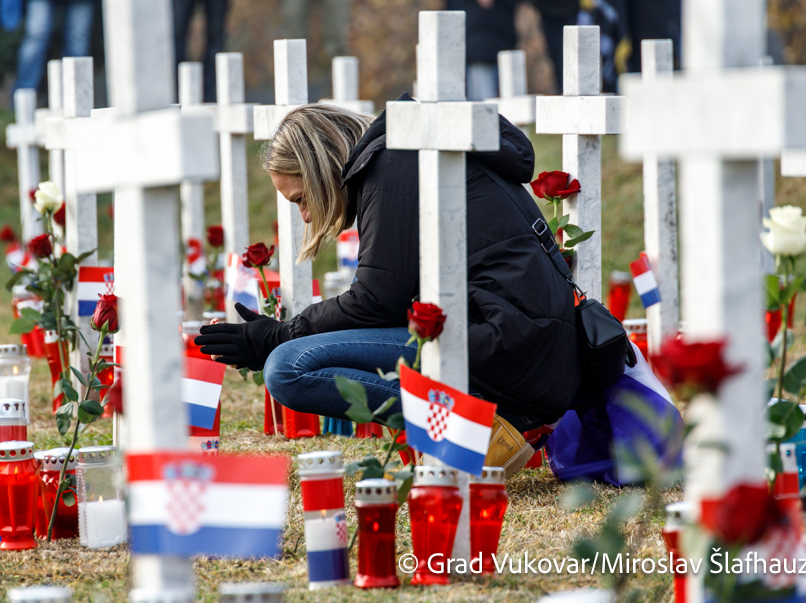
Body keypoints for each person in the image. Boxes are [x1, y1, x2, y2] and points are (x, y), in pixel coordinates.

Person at [196, 102, 580, 473]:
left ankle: (476, 429)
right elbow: (389, 300)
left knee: (287, 367)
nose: (307, 216)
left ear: (319, 168)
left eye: (302, 199)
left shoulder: (391, 165)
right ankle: (479, 422)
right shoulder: (398, 158)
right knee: (289, 358)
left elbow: (376, 301)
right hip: (521, 342)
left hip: (509, 349)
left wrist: (280, 336)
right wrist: (283, 333)